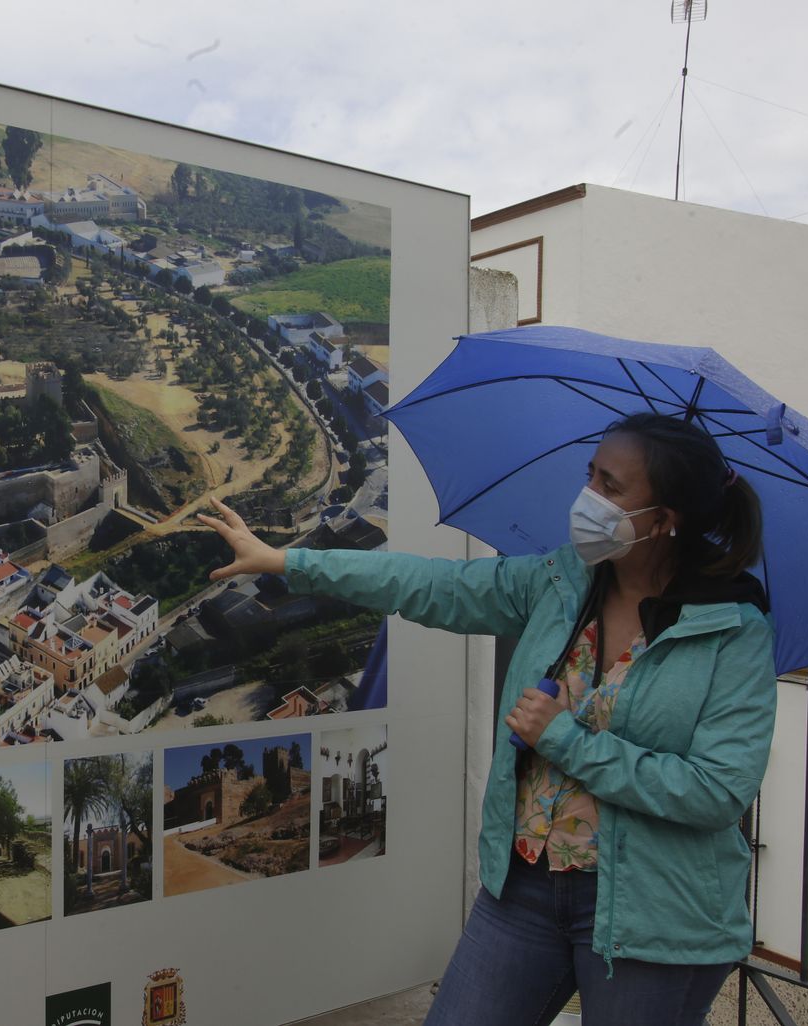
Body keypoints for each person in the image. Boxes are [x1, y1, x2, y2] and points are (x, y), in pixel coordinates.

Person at [197, 412, 774, 1026]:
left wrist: (565, 740)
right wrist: (287, 563)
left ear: (665, 520)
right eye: (591, 476)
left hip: (655, 912)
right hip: (525, 884)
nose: (588, 499)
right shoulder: (560, 583)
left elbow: (718, 791)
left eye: (611, 486)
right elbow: (431, 584)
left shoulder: (732, 632)